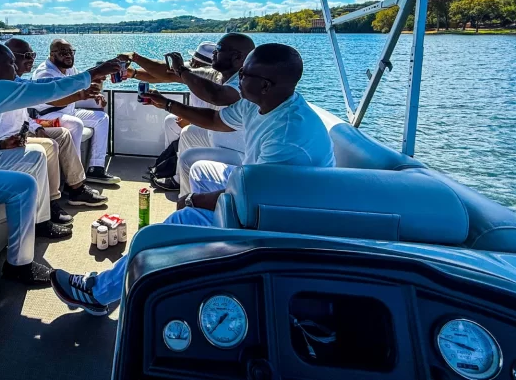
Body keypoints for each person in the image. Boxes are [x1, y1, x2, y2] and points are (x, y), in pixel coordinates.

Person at [51, 43, 336, 314]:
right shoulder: (260, 101)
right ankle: (202, 251)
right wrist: (166, 104)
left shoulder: (288, 134)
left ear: (265, 84)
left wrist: (194, 200)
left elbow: (250, 201)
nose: (239, 79)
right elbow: (215, 121)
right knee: (200, 168)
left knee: (172, 226)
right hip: (261, 189)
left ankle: (98, 293)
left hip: (281, 221)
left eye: (245, 75)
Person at [0, 42, 121, 285]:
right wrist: (93, 73)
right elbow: (43, 91)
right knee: (23, 186)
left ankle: (41, 222)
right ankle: (18, 266)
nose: (15, 68)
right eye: (11, 63)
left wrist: (88, 78)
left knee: (35, 157)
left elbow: (38, 86)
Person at [120, 33, 255, 194]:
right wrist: (135, 58)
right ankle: (183, 188)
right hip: (220, 138)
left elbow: (217, 96)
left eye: (218, 49)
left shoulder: (245, 81)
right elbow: (168, 73)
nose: (214, 52)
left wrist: (170, 99)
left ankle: (188, 202)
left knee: (188, 159)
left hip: (240, 153)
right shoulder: (217, 75)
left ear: (237, 57)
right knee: (189, 133)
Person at [1, 38, 108, 220]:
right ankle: (55, 199)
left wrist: (32, 127)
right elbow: (53, 94)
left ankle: (82, 181)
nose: (68, 55)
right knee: (68, 130)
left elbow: (23, 113)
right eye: (26, 56)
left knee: (93, 121)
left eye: (32, 55)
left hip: (42, 123)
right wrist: (36, 126)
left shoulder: (17, 82)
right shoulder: (42, 74)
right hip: (47, 116)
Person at [33, 39, 120, 184]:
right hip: (45, 116)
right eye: (63, 53)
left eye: (70, 52)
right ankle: (75, 178)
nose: (68, 55)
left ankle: (96, 168)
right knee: (76, 124)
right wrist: (82, 94)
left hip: (68, 111)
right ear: (52, 55)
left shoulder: (69, 68)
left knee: (101, 118)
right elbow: (54, 100)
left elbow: (81, 85)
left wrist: (95, 94)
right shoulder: (45, 74)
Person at [124, 41, 217, 146]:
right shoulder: (197, 75)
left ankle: (177, 157)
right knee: (171, 121)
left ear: (199, 65)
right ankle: (172, 155)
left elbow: (165, 74)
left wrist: (135, 57)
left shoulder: (209, 79)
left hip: (213, 129)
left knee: (187, 132)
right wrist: (133, 73)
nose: (191, 63)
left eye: (193, 62)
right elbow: (166, 75)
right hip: (202, 118)